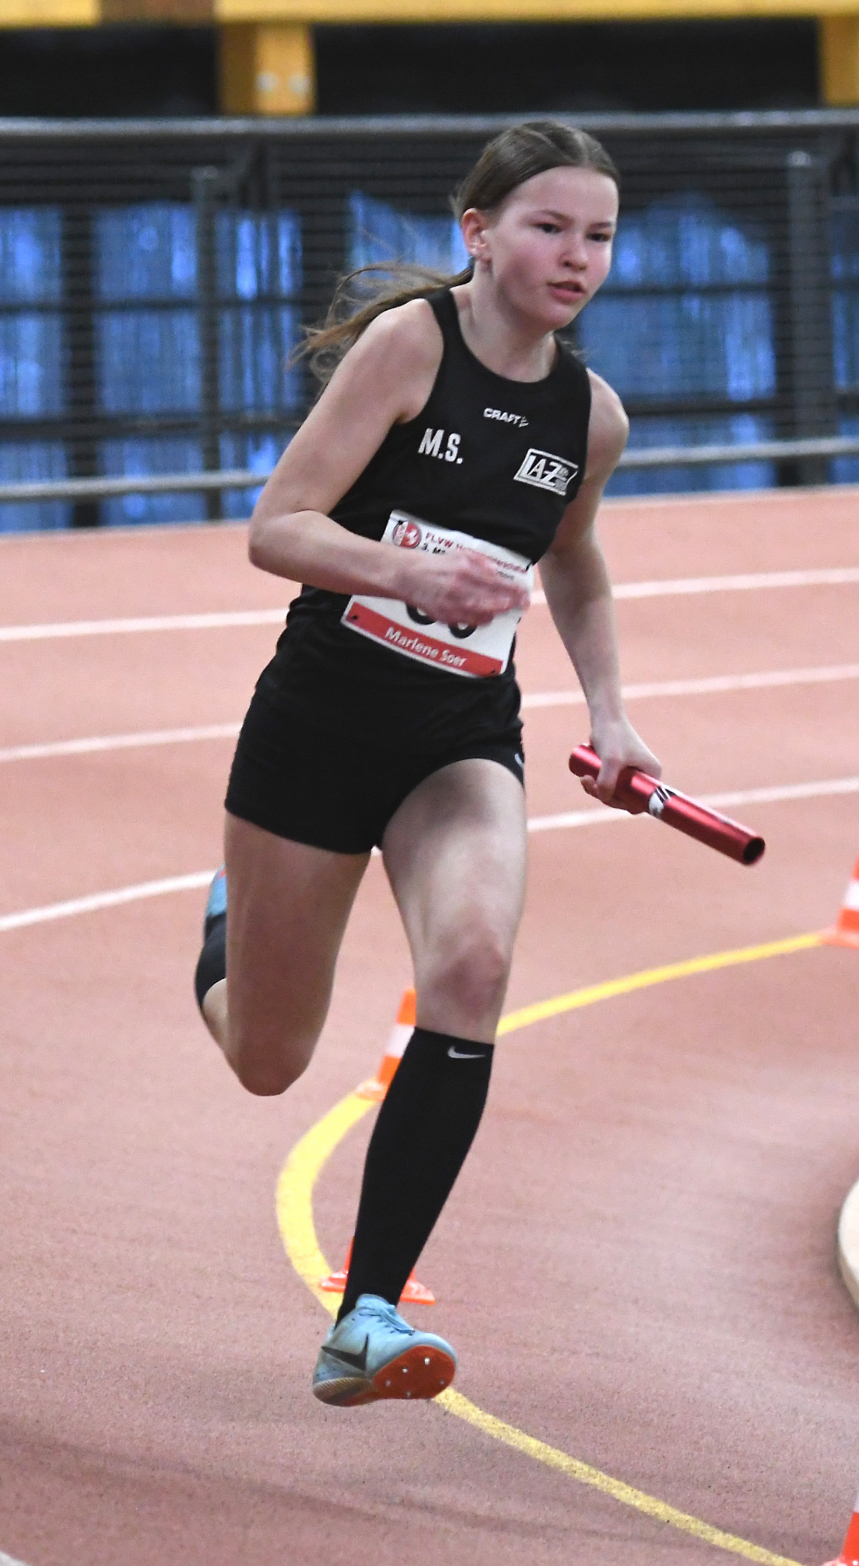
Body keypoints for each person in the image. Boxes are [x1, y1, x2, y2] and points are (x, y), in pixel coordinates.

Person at [194, 119, 661, 1409]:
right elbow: (276, 528)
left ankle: (366, 1316)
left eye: (600, 236)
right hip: (319, 725)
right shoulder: (413, 347)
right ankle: (229, 926)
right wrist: (410, 570)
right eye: (549, 227)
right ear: (480, 232)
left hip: (458, 738)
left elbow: (572, 560)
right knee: (268, 1058)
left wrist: (612, 715)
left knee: (474, 963)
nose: (577, 257)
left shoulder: (592, 417)